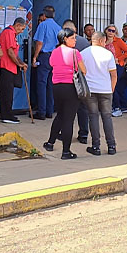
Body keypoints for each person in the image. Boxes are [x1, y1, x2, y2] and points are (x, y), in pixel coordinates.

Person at [42, 28, 87, 159]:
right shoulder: (75, 53)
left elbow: (52, 64)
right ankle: (66, 152)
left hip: (57, 87)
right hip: (71, 87)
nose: (75, 40)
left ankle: (50, 143)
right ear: (65, 39)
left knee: (60, 115)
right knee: (68, 119)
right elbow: (84, 70)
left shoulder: (54, 52)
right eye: (72, 38)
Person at [80, 32, 117, 155]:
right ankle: (111, 146)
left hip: (90, 89)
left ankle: (96, 147)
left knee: (93, 117)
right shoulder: (108, 54)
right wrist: (111, 89)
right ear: (102, 40)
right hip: (105, 90)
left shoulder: (83, 53)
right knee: (107, 117)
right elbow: (114, 75)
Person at [32, 5, 60, 119]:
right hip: (54, 56)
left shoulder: (43, 25)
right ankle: (49, 111)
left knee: (41, 84)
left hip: (44, 56)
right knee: (50, 85)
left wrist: (35, 56)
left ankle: (41, 112)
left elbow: (39, 43)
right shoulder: (58, 27)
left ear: (44, 15)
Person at [64, 20, 90, 143]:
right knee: (83, 108)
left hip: (68, 78)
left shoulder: (64, 42)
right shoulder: (85, 42)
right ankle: (83, 134)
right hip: (82, 78)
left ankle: (65, 134)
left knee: (67, 108)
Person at [0, 17, 27, 124]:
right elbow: (10, 52)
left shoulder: (13, 34)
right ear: (17, 25)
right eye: (22, 29)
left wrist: (21, 63)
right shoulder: (9, 33)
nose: (22, 31)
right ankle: (6, 115)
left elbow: (15, 53)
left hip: (10, 67)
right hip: (6, 66)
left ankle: (8, 113)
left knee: (9, 92)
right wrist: (19, 64)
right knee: (6, 93)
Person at [102, 24, 127, 117]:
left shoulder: (118, 41)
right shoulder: (103, 40)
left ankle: (117, 107)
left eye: (113, 31)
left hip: (117, 66)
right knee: (110, 86)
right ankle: (117, 106)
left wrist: (119, 59)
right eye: (109, 30)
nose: (111, 32)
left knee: (113, 86)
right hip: (105, 66)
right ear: (106, 31)